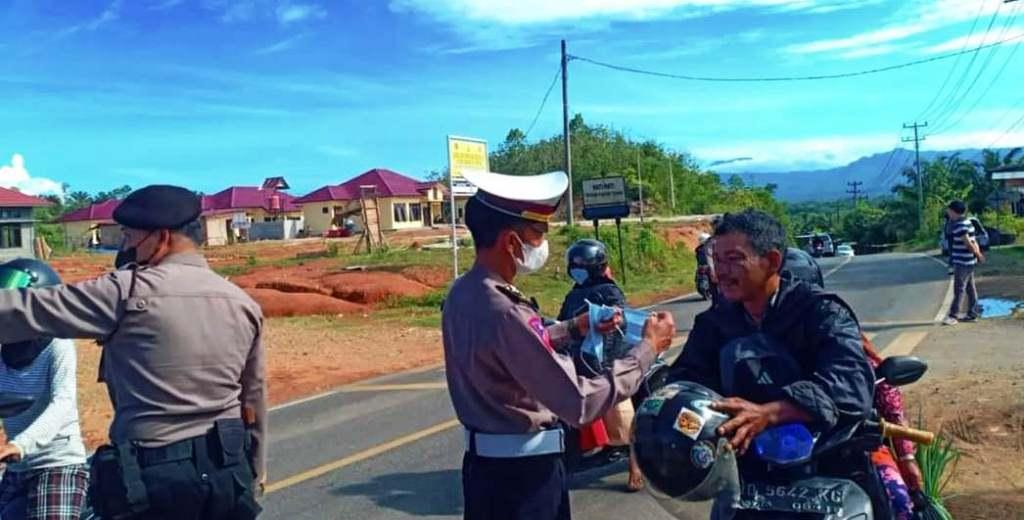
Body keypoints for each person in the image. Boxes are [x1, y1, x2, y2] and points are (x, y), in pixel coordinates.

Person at [0, 185, 266, 519]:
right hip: (229, 472)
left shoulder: (128, 291)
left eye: (129, 236)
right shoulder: (241, 302)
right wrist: (255, 469)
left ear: (162, 237)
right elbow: (253, 399)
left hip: (155, 479)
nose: (127, 246)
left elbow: (36, 308)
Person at [442, 169, 676, 520]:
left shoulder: (464, 292)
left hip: (485, 472)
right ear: (510, 242)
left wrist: (575, 327)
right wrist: (647, 350)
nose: (542, 245)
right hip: (524, 481)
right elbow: (579, 402)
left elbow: (508, 350)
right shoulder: (507, 310)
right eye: (537, 233)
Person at [665, 209, 875, 517]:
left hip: (828, 472)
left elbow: (850, 386)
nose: (720, 271)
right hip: (747, 480)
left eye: (734, 259)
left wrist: (769, 413)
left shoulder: (821, 312)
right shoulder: (714, 323)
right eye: (716, 259)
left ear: (772, 261)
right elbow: (686, 382)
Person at [0, 259, 89, 520]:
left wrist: (20, 444)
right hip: (17, 467)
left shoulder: (58, 345)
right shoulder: (4, 348)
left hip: (57, 464)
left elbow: (63, 402)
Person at [556, 239, 643, 491]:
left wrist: (606, 323)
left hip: (608, 359)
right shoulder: (573, 294)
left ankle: (635, 466)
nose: (576, 270)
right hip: (578, 359)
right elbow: (562, 321)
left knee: (623, 410)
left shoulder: (609, 290)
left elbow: (620, 318)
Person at [943, 200, 984, 325]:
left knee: (959, 288)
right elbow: (974, 241)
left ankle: (953, 315)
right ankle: (972, 313)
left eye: (949, 210)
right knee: (970, 288)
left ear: (954, 211)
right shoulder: (968, 222)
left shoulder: (960, 225)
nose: (948, 212)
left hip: (962, 261)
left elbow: (968, 243)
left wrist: (977, 254)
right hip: (969, 260)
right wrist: (977, 254)